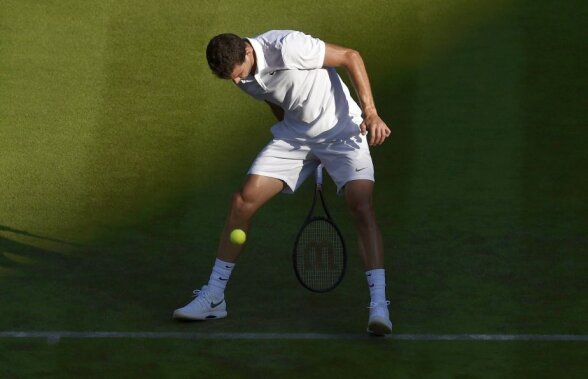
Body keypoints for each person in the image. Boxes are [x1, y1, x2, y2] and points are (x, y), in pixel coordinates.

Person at [173, 30, 392, 335]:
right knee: (243, 201)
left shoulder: (288, 47)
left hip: (341, 129)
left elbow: (349, 56)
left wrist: (370, 112)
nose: (237, 83)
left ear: (247, 54)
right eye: (230, 79)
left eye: (237, 75)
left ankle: (379, 304)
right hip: (295, 136)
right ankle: (214, 296)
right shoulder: (239, 72)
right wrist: (299, 143)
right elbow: (274, 98)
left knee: (361, 204)